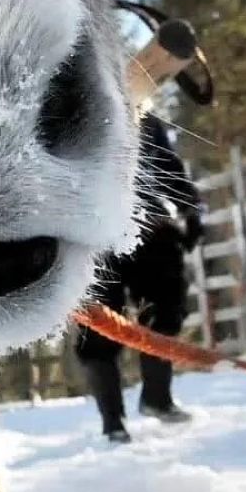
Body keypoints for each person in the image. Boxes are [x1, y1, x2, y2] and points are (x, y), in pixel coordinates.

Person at [74, 111, 207, 443]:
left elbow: (168, 164)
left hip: (150, 227)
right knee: (99, 326)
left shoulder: (144, 117)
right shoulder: (65, 109)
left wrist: (190, 209)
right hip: (94, 233)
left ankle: (157, 398)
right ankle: (112, 423)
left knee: (165, 309)